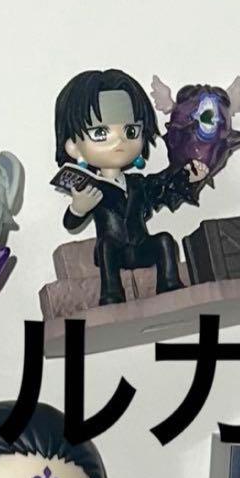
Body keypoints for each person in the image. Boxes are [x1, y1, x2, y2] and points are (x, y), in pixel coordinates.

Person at [54, 68, 208, 306]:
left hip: (140, 246)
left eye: (130, 131)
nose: (119, 140)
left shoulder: (138, 183)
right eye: (100, 133)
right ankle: (111, 293)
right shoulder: (91, 187)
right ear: (73, 147)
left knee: (165, 239)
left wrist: (188, 177)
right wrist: (79, 207)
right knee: (106, 245)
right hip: (113, 252)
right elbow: (70, 222)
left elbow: (162, 186)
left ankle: (169, 284)